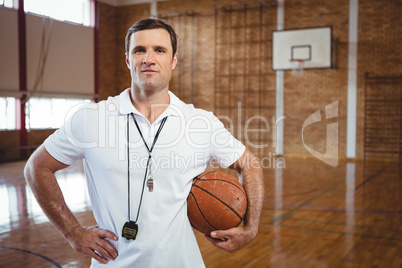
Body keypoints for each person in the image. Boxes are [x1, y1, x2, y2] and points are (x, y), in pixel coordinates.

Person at [24, 19, 264, 267]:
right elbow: (36, 168)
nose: (149, 58)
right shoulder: (91, 118)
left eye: (159, 50)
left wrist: (251, 228)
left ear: (173, 61)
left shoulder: (199, 122)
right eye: (140, 50)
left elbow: (250, 164)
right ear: (128, 60)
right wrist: (72, 232)